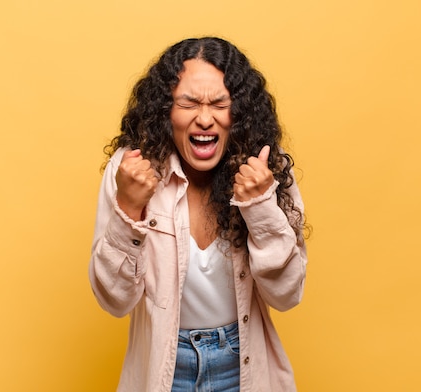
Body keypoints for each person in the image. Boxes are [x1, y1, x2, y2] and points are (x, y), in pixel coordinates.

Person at [89, 36, 308, 392]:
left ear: (238, 112)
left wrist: (260, 208)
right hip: (164, 368)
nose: (204, 119)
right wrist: (128, 208)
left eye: (220, 104)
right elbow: (114, 300)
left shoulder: (267, 170)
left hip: (242, 367)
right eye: (188, 103)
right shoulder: (130, 170)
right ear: (165, 110)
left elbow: (287, 295)